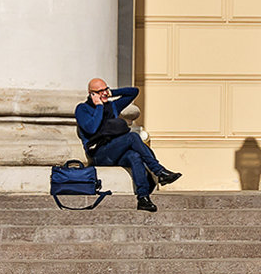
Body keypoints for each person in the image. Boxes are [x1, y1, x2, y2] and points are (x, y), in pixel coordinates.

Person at [74, 78, 181, 212]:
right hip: (98, 154)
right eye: (100, 91)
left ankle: (143, 198)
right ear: (91, 94)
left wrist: (110, 92)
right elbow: (92, 128)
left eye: (105, 89)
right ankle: (159, 171)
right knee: (132, 137)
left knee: (134, 156)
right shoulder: (82, 109)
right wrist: (99, 106)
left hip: (115, 151)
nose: (104, 93)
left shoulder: (112, 106)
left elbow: (133, 92)